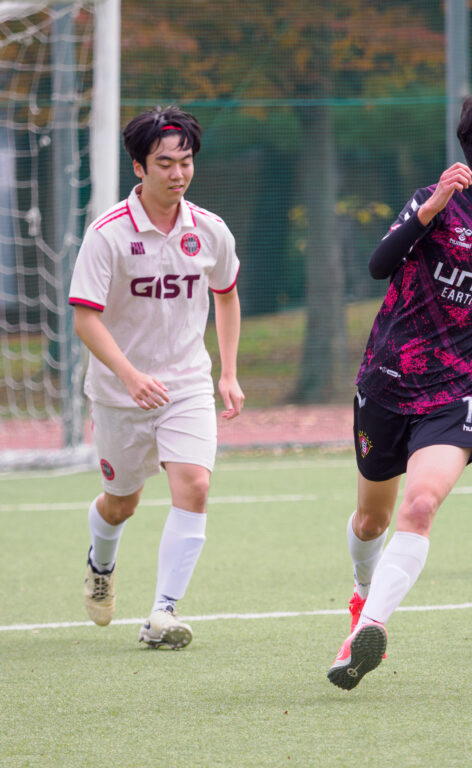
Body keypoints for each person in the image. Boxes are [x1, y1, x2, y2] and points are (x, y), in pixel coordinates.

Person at [327, 71, 472, 691]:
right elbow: (379, 266)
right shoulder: (439, 201)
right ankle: (361, 591)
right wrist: (426, 212)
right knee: (372, 521)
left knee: (421, 504)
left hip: (460, 390)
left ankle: (365, 633)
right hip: (390, 379)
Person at [69, 106, 244, 649]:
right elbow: (85, 317)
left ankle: (163, 614)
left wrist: (229, 374)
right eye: (164, 163)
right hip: (119, 395)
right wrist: (129, 375)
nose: (177, 173)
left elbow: (227, 295)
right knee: (121, 502)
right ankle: (102, 562)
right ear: (139, 168)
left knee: (194, 485)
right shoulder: (108, 235)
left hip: (187, 384)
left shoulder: (210, 231)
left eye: (185, 162)